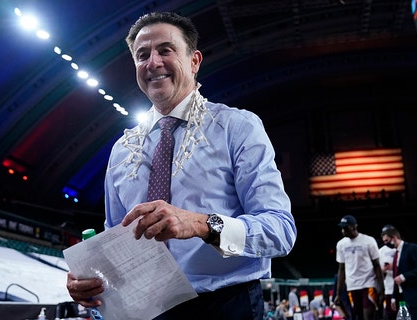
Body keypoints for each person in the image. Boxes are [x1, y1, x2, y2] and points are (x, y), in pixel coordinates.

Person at [65, 11, 297, 320]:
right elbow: (116, 242)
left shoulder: (236, 127)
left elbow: (280, 232)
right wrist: (91, 280)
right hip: (149, 310)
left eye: (165, 50)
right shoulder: (123, 149)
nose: (153, 62)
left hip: (225, 306)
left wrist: (202, 225)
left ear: (194, 60)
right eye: (142, 55)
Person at [334, 215, 385, 320]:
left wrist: (381, 288)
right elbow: (341, 269)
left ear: (354, 227)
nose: (343, 231)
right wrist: (338, 294)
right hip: (352, 285)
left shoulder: (368, 241)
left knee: (368, 316)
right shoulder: (341, 244)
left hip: (368, 284)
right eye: (342, 228)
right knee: (357, 316)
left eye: (345, 227)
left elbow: (377, 265)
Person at [380, 225, 417, 320]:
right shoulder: (396, 253)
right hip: (403, 296)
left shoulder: (412, 248)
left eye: (386, 240)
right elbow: (396, 276)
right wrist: (394, 297)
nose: (385, 243)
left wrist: (403, 277)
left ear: (393, 238)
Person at [379, 225, 398, 320]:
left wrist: (394, 267)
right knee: (390, 315)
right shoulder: (381, 251)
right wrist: (383, 270)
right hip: (389, 289)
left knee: (404, 315)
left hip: (403, 289)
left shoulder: (402, 248)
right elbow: (378, 273)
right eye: (383, 235)